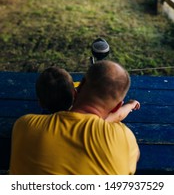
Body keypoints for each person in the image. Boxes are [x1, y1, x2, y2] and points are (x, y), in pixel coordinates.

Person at [9, 60, 140, 175]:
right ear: (117, 107)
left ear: (80, 85)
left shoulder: (24, 125)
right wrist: (129, 106)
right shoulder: (124, 138)